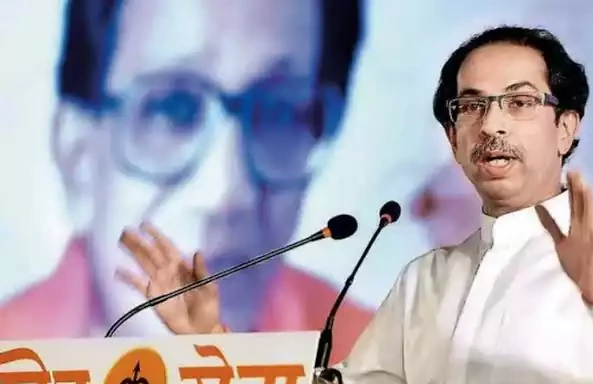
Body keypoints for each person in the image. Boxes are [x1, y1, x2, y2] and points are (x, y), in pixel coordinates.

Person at [115, 25, 593, 384]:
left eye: (520, 103)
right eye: (472, 106)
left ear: (566, 127)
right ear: (452, 136)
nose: (492, 124)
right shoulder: (426, 278)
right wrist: (211, 340)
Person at [0, 0, 375, 361]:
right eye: (172, 108)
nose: (229, 193)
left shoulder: (373, 365)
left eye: (281, 112)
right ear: (78, 152)